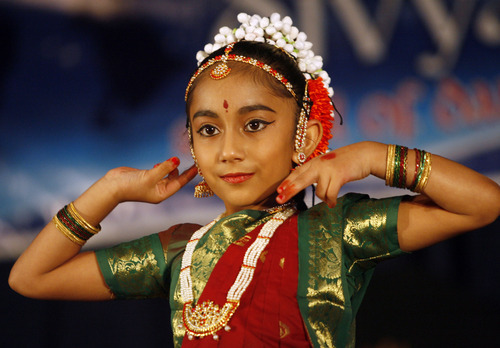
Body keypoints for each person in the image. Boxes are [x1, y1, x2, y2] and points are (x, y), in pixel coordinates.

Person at [8, 13, 500, 348]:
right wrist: (110, 189)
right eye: (207, 130)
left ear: (304, 138)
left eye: (255, 124)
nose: (229, 149)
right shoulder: (182, 252)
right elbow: (31, 278)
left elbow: (481, 203)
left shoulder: (336, 230)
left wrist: (372, 156)